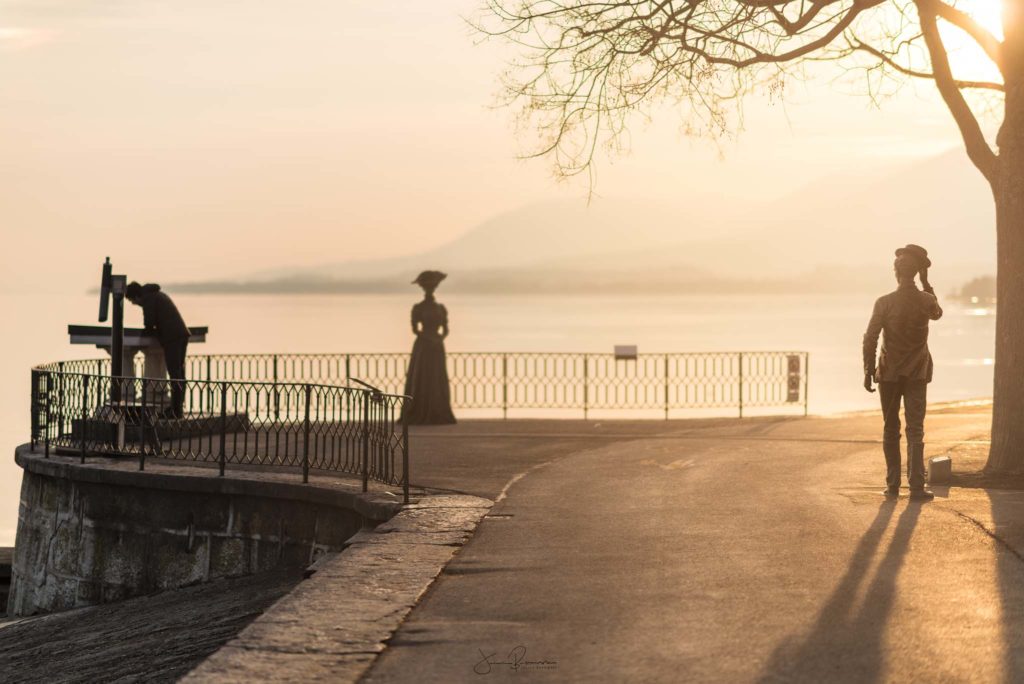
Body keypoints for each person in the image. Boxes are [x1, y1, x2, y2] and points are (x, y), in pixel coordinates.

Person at [863, 244, 943, 500]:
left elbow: (870, 338)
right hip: (917, 373)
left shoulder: (884, 303)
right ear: (917, 271)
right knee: (915, 429)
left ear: (896, 273)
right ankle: (917, 487)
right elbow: (938, 314)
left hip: (888, 373)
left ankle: (892, 486)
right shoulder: (926, 300)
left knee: (890, 427)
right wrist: (927, 283)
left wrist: (868, 369)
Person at [126, 282, 190, 418]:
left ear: (137, 296)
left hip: (172, 337)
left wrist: (146, 333)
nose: (133, 303)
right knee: (179, 374)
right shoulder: (156, 295)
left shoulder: (148, 298)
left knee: (175, 374)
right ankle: (177, 408)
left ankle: (176, 411)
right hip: (181, 334)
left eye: (132, 300)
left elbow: (149, 322)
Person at [403, 271, 457, 425]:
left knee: (436, 378)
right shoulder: (418, 307)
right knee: (422, 377)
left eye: (432, 287)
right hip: (423, 347)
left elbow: (446, 329)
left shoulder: (441, 308)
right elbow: (415, 329)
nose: (430, 290)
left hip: (437, 347)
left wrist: (439, 338)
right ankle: (419, 410)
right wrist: (429, 338)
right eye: (428, 287)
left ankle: (437, 410)